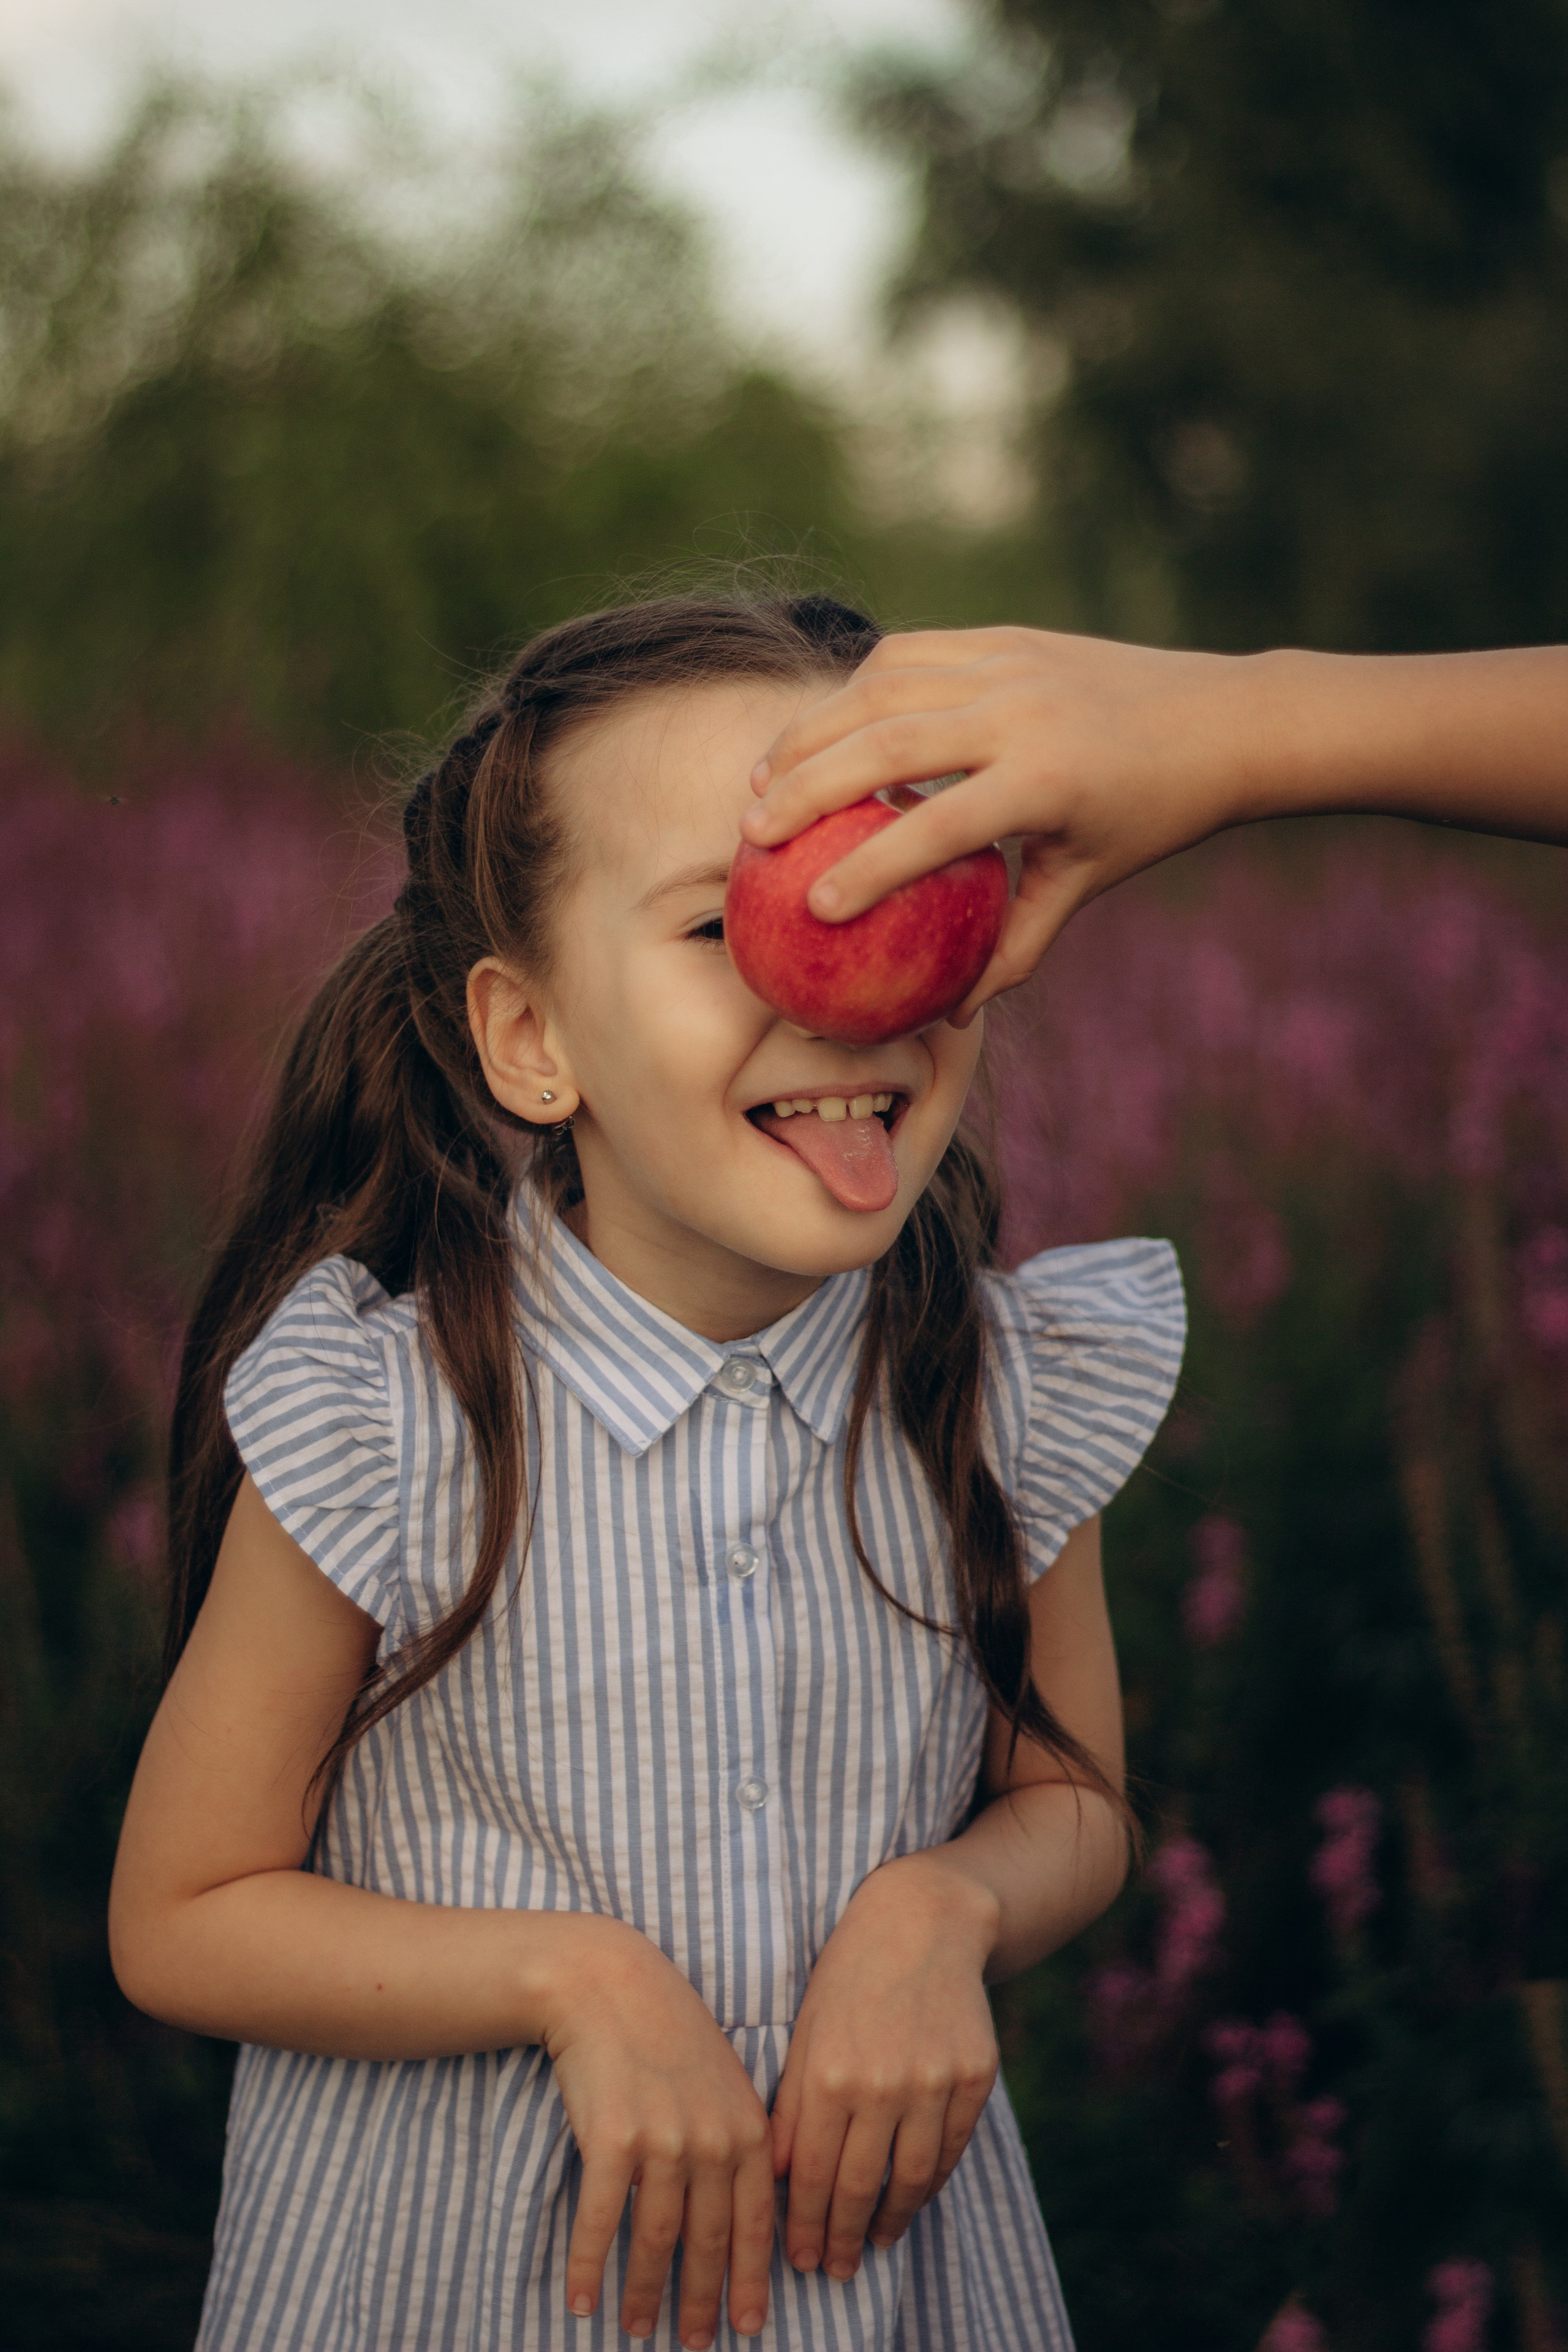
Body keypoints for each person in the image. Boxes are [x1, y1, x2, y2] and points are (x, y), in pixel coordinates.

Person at [108, 592, 1187, 2352]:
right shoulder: (394, 1421)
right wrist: (572, 1979)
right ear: (530, 1038)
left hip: (886, 2297)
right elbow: (183, 1914)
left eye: (902, 889)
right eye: (725, 920)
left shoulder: (990, 1388)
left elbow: (1072, 1802)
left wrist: (945, 1910)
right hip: (446, 2288)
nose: (852, 983)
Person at [739, 627, 1568, 1012]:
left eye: (925, 856)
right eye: (713, 926)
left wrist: (1239, 726)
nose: (831, 1029)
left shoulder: (1084, 1359)